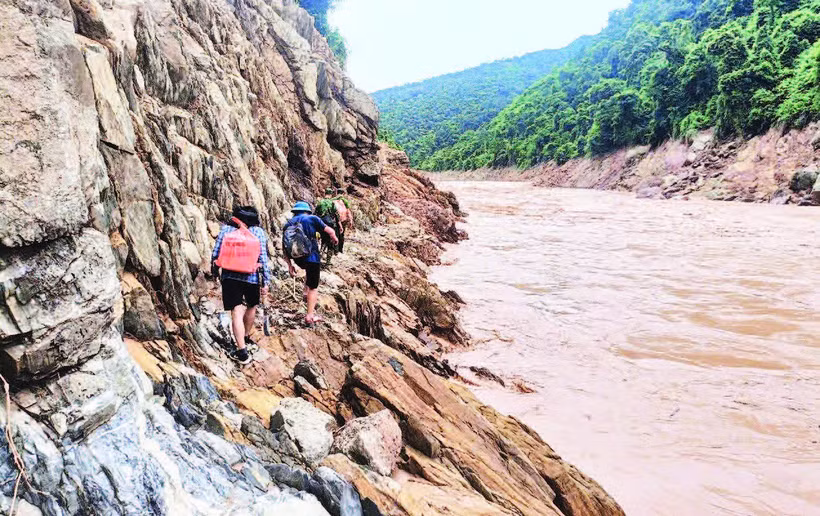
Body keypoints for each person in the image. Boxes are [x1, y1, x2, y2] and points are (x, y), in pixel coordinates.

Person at [211, 206, 271, 365]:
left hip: (230, 276)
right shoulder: (258, 232)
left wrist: (215, 269)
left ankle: (242, 351)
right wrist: (266, 281)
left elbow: (216, 252)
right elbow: (263, 258)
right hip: (252, 277)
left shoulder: (226, 230)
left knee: (236, 311)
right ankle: (245, 337)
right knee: (251, 306)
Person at [282, 201, 338, 325]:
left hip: (298, 258)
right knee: (314, 287)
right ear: (307, 211)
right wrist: (335, 239)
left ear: (295, 212)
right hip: (312, 257)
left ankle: (305, 294)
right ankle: (310, 316)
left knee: (308, 273)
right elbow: (330, 231)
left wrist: (290, 265)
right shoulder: (312, 218)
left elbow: (284, 247)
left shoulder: (288, 224)